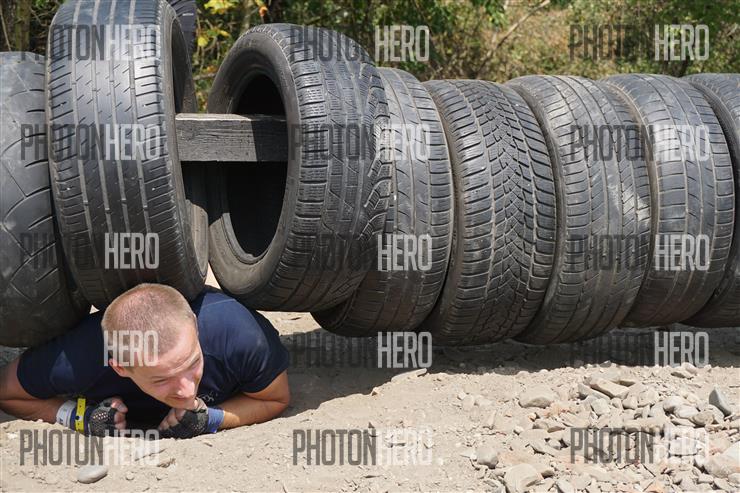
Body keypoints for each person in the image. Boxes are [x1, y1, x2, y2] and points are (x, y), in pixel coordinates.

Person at [0, 283, 290, 438]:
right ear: (119, 367)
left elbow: (275, 398)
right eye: (162, 379)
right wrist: (81, 418)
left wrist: (211, 418)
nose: (187, 390)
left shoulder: (239, 336)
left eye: (192, 363)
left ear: (195, 328)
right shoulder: (79, 359)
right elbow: (8, 393)